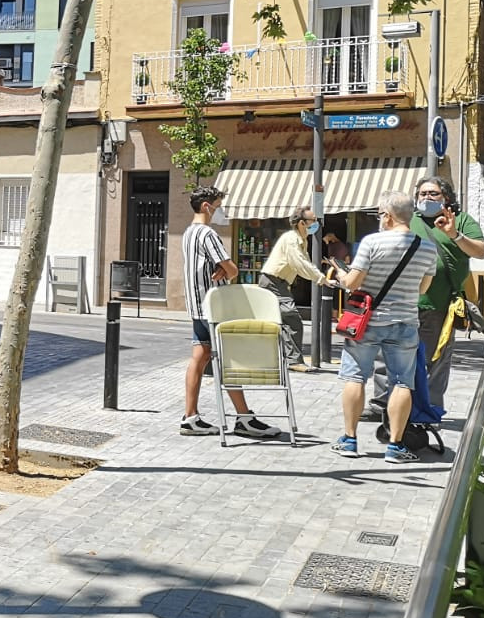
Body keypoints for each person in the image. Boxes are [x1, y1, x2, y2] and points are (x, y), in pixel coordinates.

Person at [363, 175, 484, 422]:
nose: (427, 198)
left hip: (438, 306)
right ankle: (382, 404)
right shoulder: (408, 218)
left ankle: (428, 409)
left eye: (433, 194)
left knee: (434, 360)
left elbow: (481, 251)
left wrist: (455, 235)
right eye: (422, 194)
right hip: (398, 302)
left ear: (446, 198)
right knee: (387, 355)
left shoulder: (461, 221)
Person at [333, 191, 438, 463]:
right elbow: (423, 287)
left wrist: (342, 275)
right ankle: (395, 445)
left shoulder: (372, 242)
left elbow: (353, 283)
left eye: (380, 214)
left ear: (388, 217)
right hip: (405, 322)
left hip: (368, 323)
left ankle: (349, 440)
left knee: (355, 377)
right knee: (403, 382)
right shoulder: (427, 247)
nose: (379, 219)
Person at [180, 185, 282, 438]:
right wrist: (228, 270)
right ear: (207, 206)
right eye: (218, 205)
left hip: (196, 305)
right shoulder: (207, 234)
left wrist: (224, 269)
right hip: (214, 307)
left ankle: (190, 417)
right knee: (228, 360)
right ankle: (244, 418)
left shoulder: (188, 234)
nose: (220, 211)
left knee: (200, 357)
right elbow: (233, 268)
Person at [259, 206, 338, 370]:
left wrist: (319, 277)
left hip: (278, 283)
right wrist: (322, 279)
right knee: (292, 319)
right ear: (302, 223)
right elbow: (301, 264)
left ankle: (280, 358)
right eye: (313, 221)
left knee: (281, 321)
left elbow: (305, 263)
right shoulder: (292, 239)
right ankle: (293, 361)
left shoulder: (301, 239)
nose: (316, 224)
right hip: (273, 282)